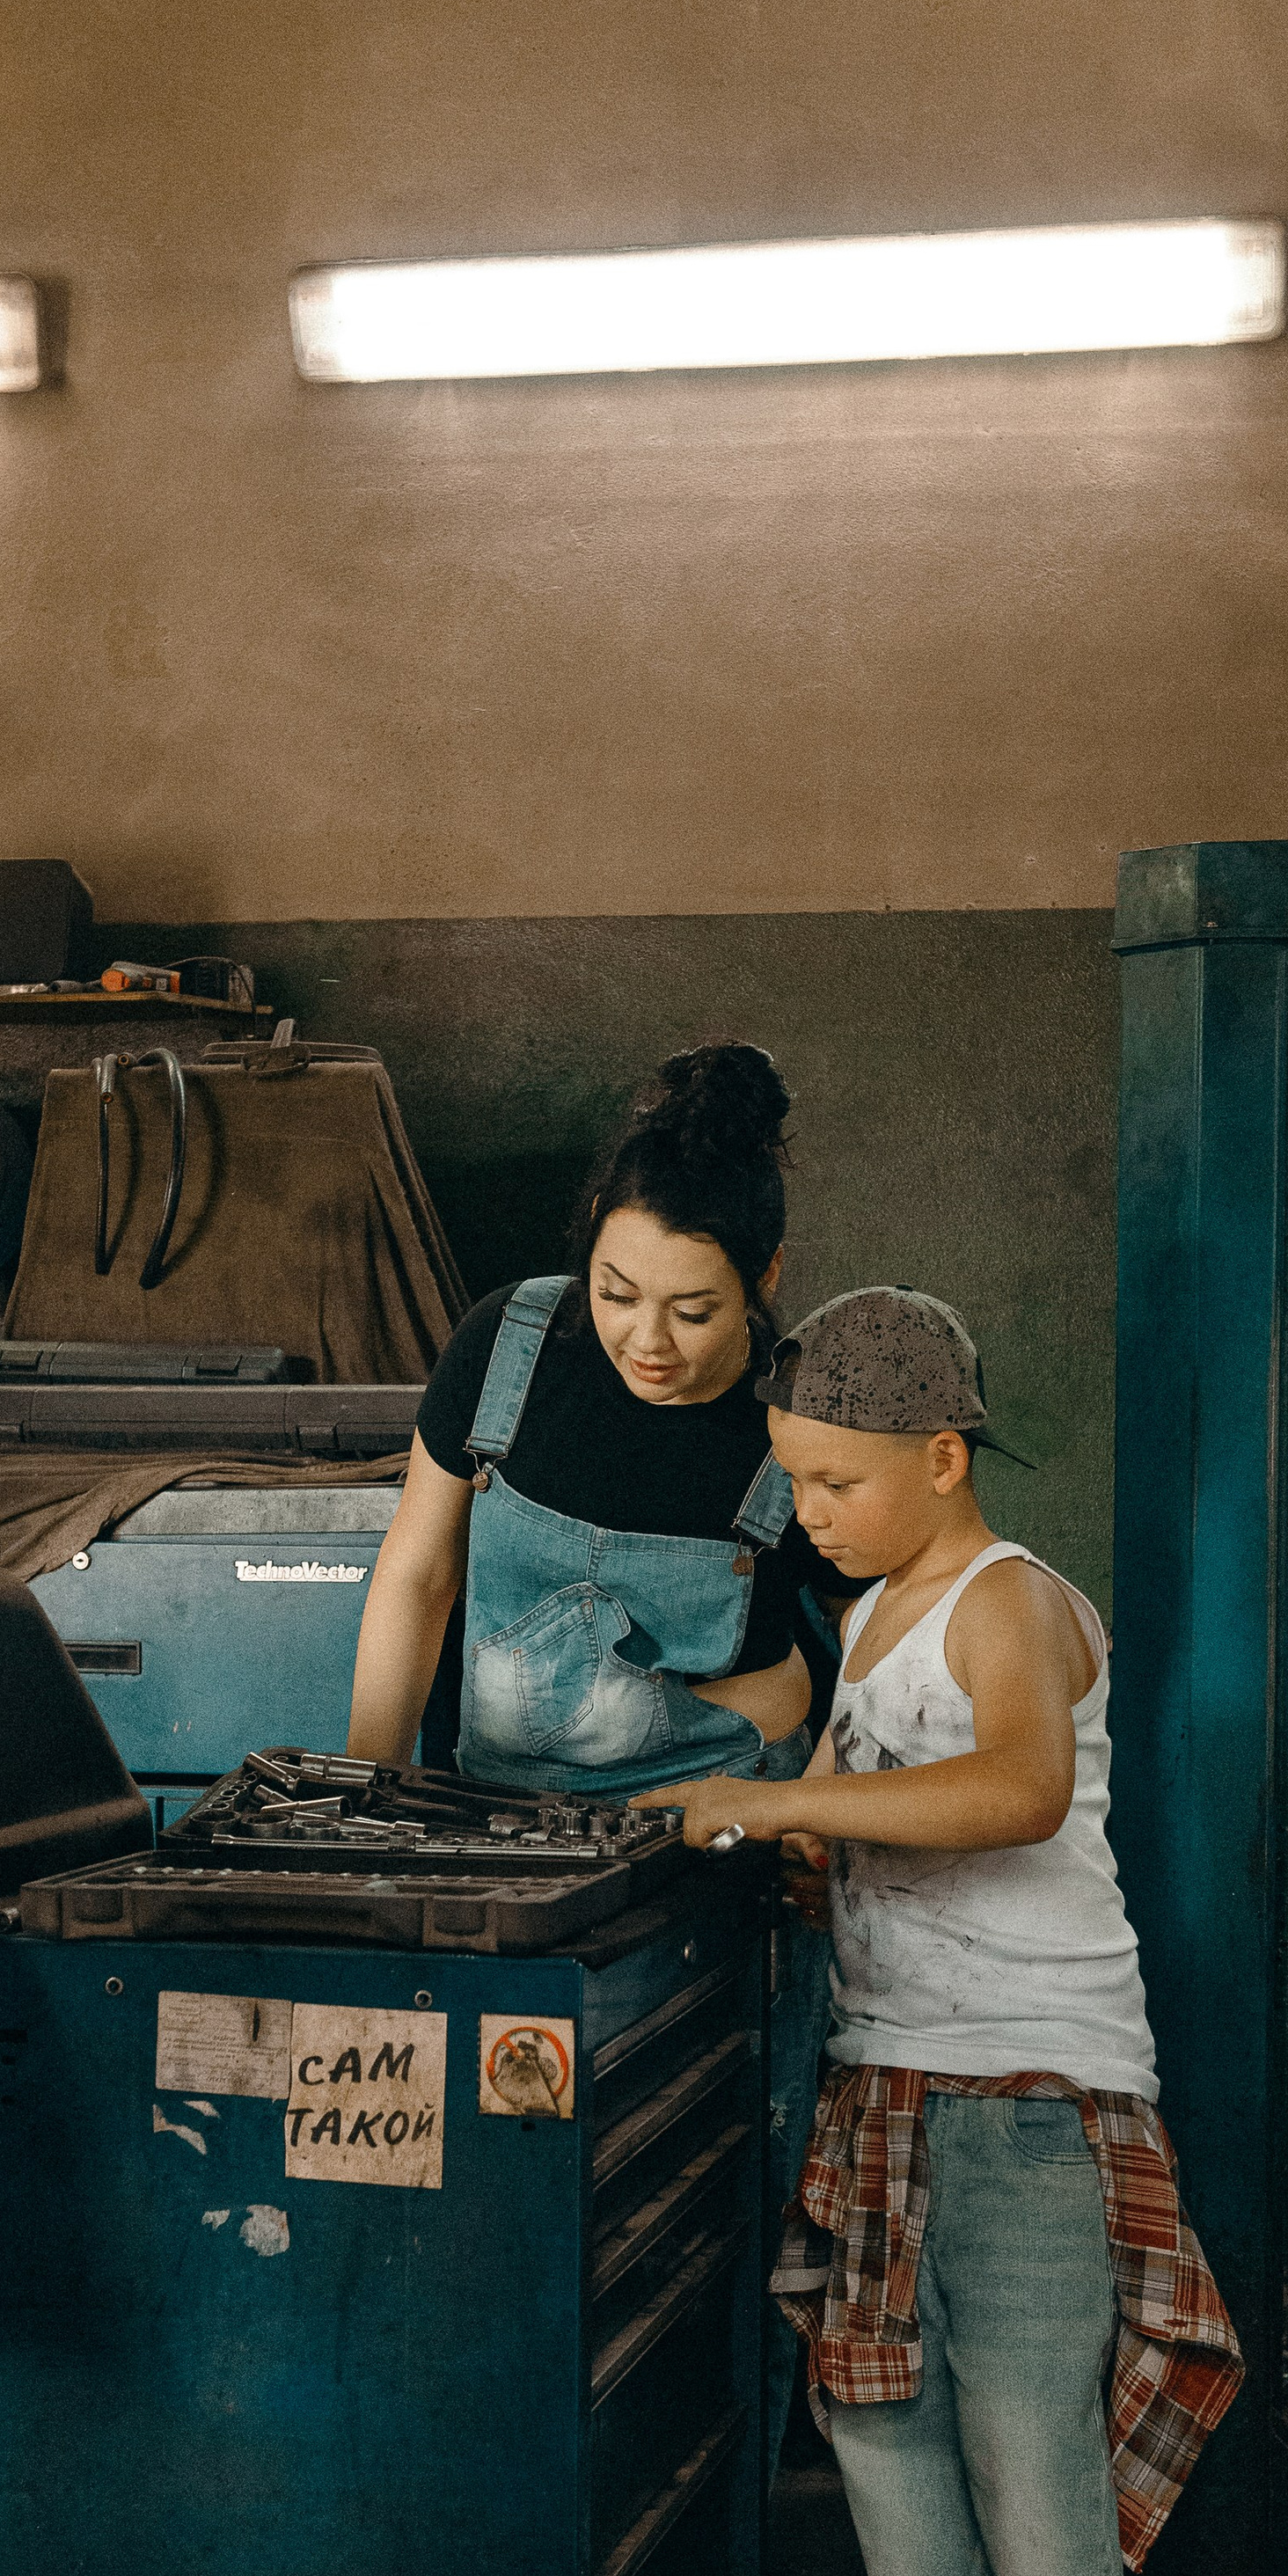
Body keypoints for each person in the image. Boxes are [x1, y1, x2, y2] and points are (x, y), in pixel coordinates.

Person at [640, 1286, 1242, 2576]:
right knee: (894, 2477)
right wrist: (787, 1842)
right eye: (794, 1482)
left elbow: (1015, 1793)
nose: (807, 1515)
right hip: (884, 2089)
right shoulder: (877, 1614)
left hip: (1026, 2101)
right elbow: (863, 1842)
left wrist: (783, 1804)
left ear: (938, 1452)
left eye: (831, 1483)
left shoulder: (1011, 1601)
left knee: (1025, 2481)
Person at [345, 1042, 845, 2476]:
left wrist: (818, 1819)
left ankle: (702, 2469)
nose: (648, 1339)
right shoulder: (510, 1347)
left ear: (765, 1277)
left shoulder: (794, 1422)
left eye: (696, 1311)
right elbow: (417, 1575)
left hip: (705, 1860)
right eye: (621, 1295)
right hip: (503, 1844)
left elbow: (875, 1650)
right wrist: (365, 1802)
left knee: (699, 2192)